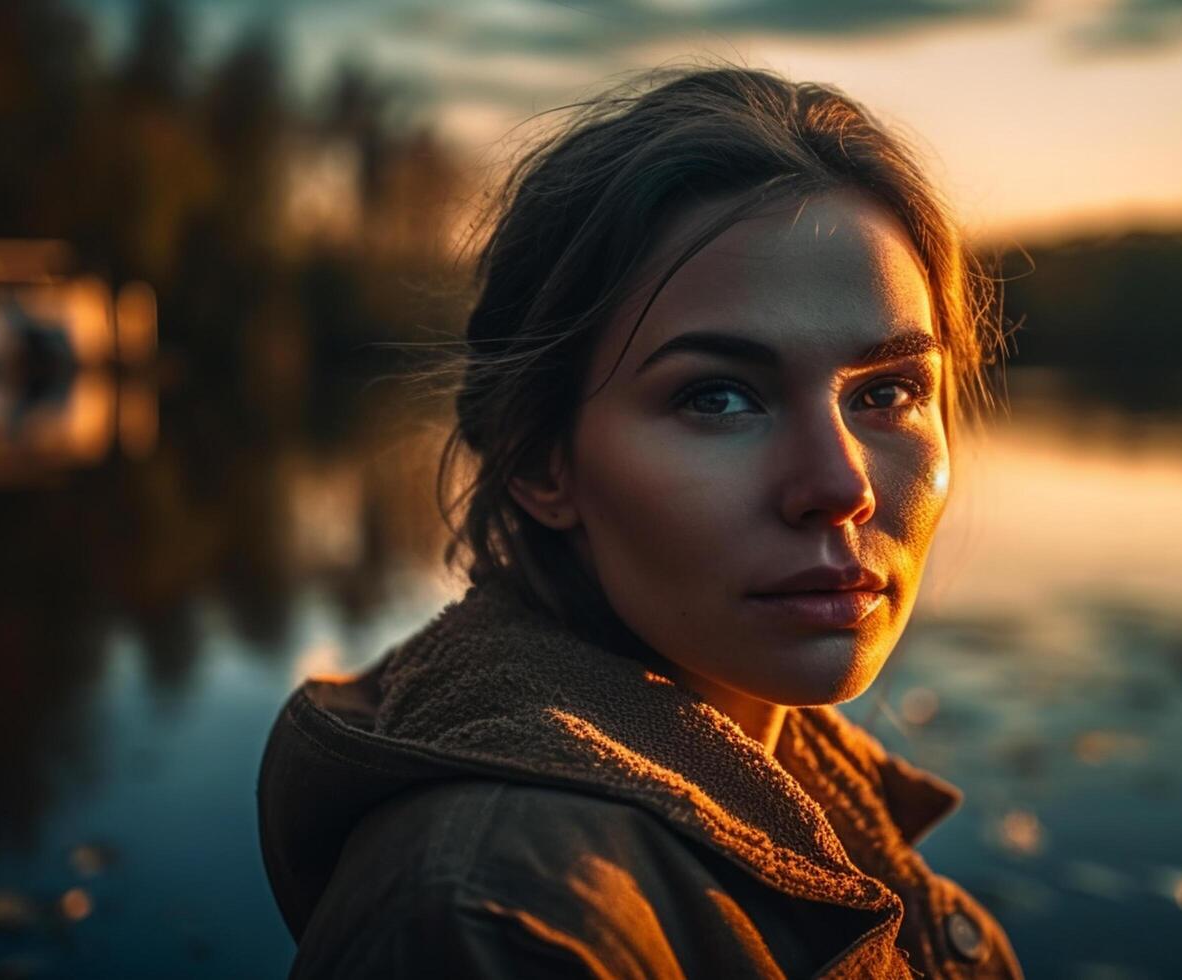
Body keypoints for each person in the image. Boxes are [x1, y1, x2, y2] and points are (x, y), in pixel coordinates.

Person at [257, 64, 1023, 979]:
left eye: (888, 391)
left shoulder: (800, 784)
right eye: (719, 397)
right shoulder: (494, 926)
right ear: (543, 461)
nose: (838, 484)